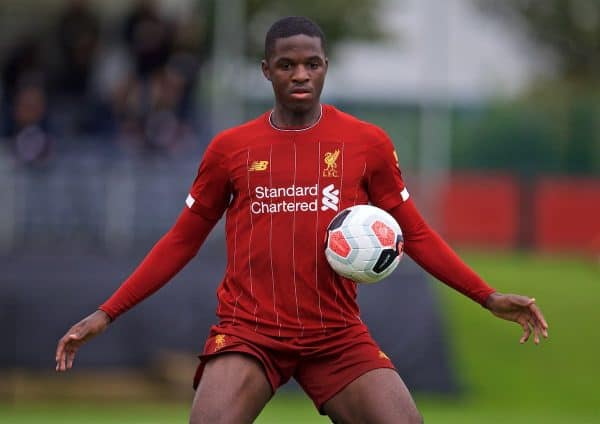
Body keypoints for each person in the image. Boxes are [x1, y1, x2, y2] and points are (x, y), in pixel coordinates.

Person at [55, 16, 549, 424]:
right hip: (250, 332)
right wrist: (107, 312)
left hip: (335, 334)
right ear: (266, 69)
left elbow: (414, 233)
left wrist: (486, 296)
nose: (300, 75)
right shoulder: (231, 149)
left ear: (325, 68)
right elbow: (181, 242)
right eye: (286, 65)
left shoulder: (366, 144)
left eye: (312, 64)